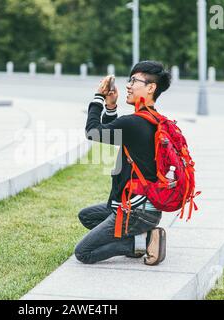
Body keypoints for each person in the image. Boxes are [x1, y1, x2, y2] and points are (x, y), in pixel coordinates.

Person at [75, 60, 171, 265]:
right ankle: (138, 237)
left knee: (84, 252)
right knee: (87, 216)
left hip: (135, 211)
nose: (128, 85)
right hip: (147, 208)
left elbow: (93, 132)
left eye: (134, 80)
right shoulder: (152, 119)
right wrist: (111, 106)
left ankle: (141, 243)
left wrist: (98, 97)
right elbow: (113, 136)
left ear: (151, 87)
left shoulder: (134, 122)